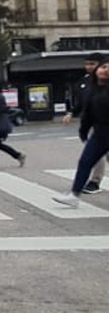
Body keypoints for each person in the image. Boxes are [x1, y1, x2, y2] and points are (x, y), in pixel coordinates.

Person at [54, 55, 109, 207]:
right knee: (85, 161)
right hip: (99, 133)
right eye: (103, 67)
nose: (105, 70)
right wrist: (83, 131)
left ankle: (92, 184)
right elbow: (88, 113)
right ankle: (74, 195)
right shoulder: (91, 88)